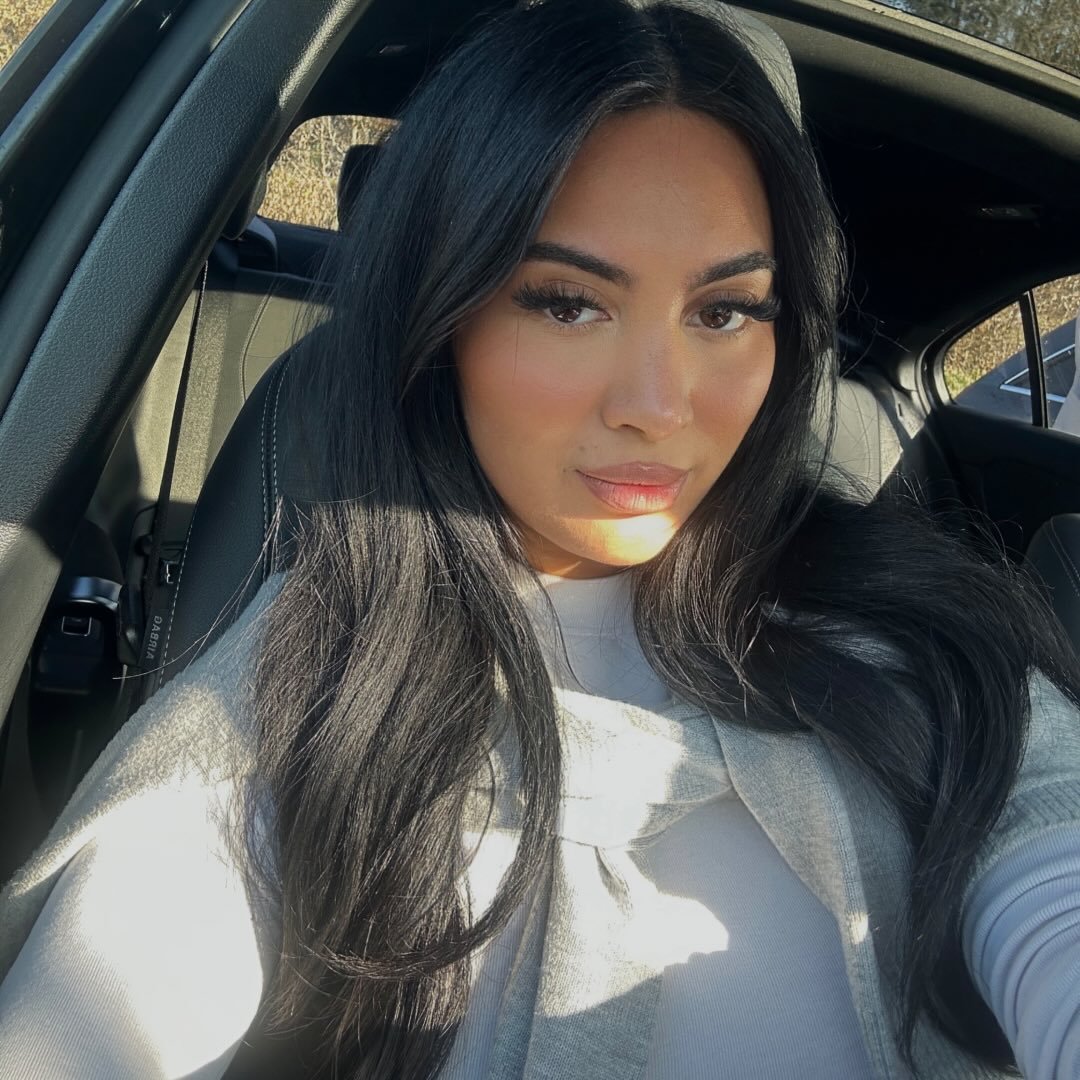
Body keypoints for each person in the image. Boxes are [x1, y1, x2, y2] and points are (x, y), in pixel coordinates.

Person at [2, 1, 1080, 1077]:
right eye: (567, 303)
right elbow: (106, 993)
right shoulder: (309, 686)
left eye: (724, 312)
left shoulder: (927, 648)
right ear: (443, 319)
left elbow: (1049, 859)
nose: (658, 406)